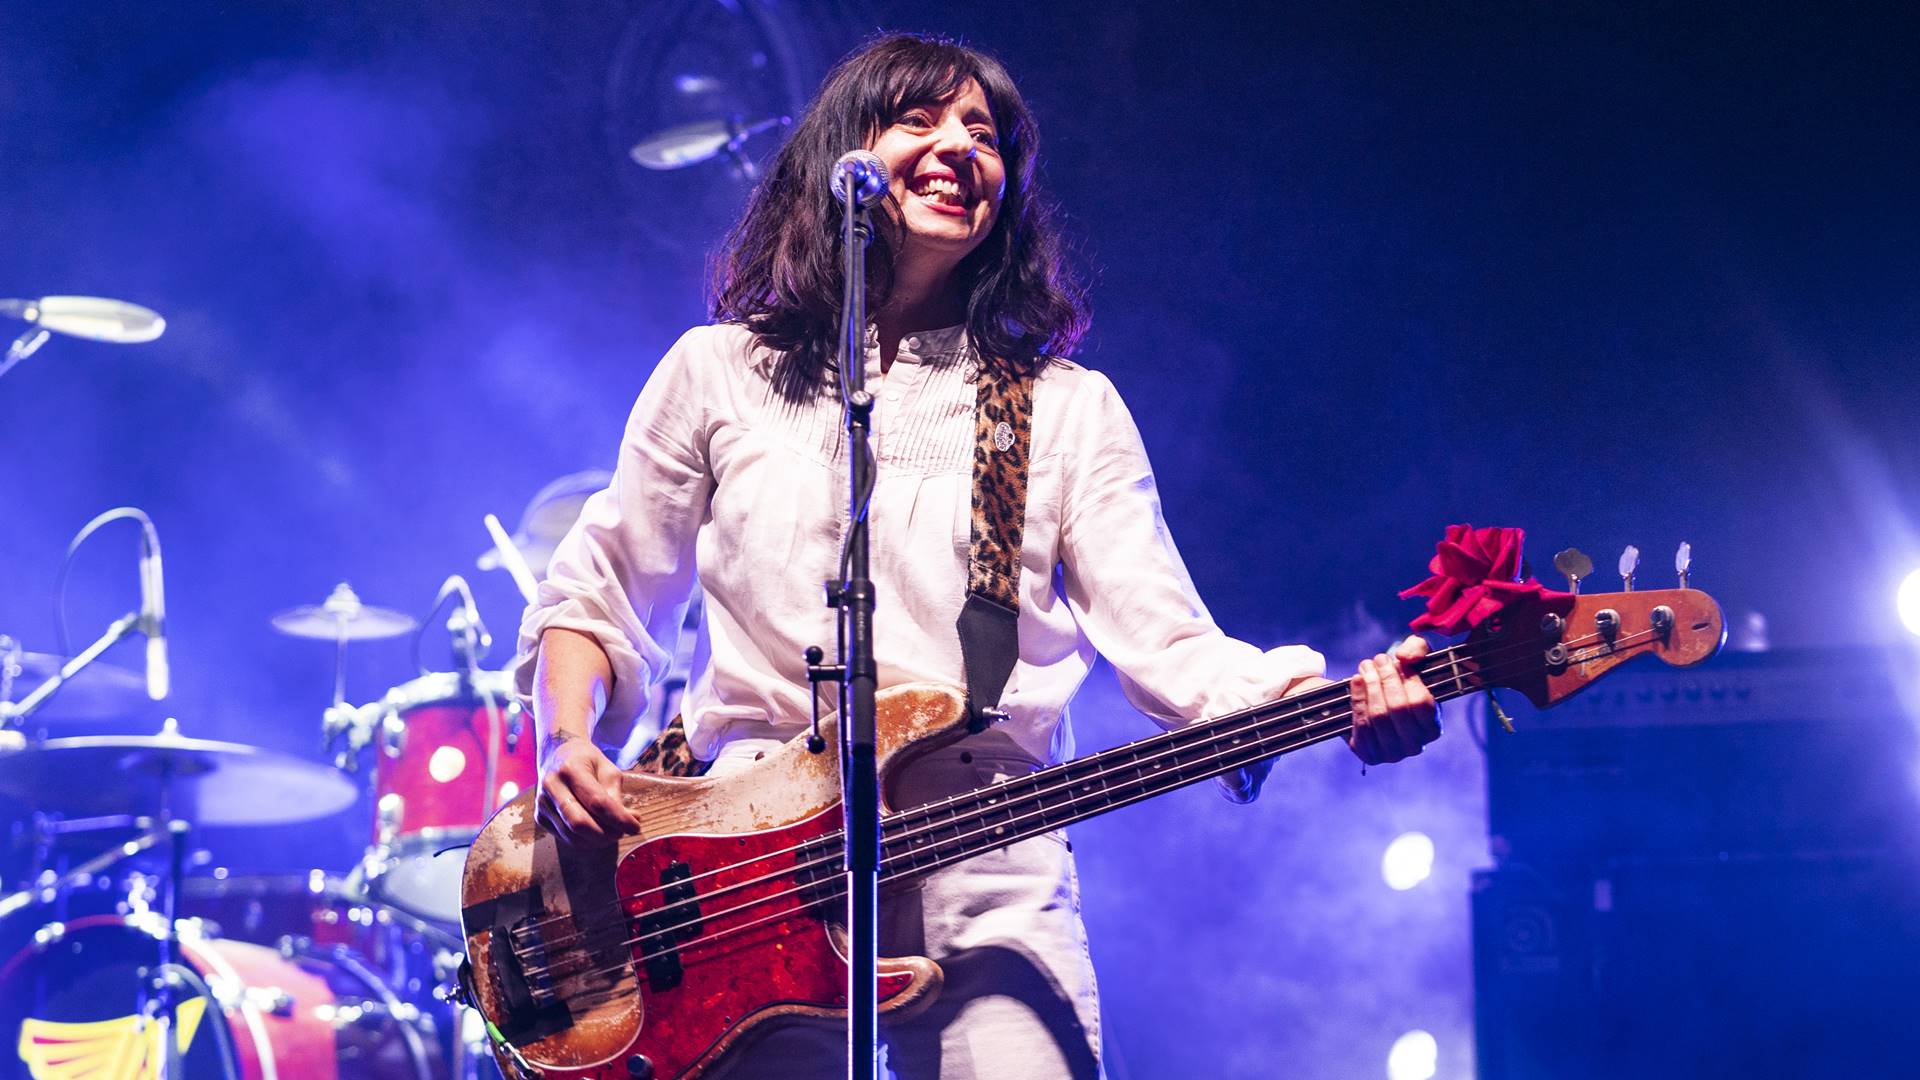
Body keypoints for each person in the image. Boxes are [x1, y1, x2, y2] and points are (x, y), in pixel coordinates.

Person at [517, 32, 1438, 1080]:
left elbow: (1172, 646)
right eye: (919, 119)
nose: (960, 147)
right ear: (842, 154)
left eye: (986, 134)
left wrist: (1331, 703)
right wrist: (565, 740)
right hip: (744, 868)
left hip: (989, 858)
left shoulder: (1063, 409)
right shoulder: (720, 371)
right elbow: (598, 589)